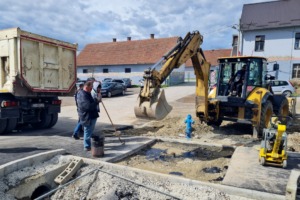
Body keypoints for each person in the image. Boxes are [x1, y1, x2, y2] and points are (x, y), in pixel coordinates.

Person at [76, 81, 101, 151]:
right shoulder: (83, 95)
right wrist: (96, 101)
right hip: (87, 117)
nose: (92, 89)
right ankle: (87, 146)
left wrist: (96, 100)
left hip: (91, 116)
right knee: (87, 131)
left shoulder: (87, 93)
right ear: (86, 87)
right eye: (91, 87)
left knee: (89, 131)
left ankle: (89, 144)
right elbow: (88, 106)